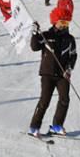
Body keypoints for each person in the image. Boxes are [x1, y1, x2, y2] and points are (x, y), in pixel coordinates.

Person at [28, 7, 77, 137]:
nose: (65, 25)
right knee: (45, 101)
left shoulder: (70, 39)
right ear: (55, 21)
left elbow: (73, 55)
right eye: (62, 22)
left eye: (67, 22)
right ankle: (34, 127)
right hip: (47, 74)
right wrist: (34, 34)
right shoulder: (46, 35)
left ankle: (57, 126)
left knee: (64, 99)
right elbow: (34, 47)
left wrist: (69, 69)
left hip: (63, 74)